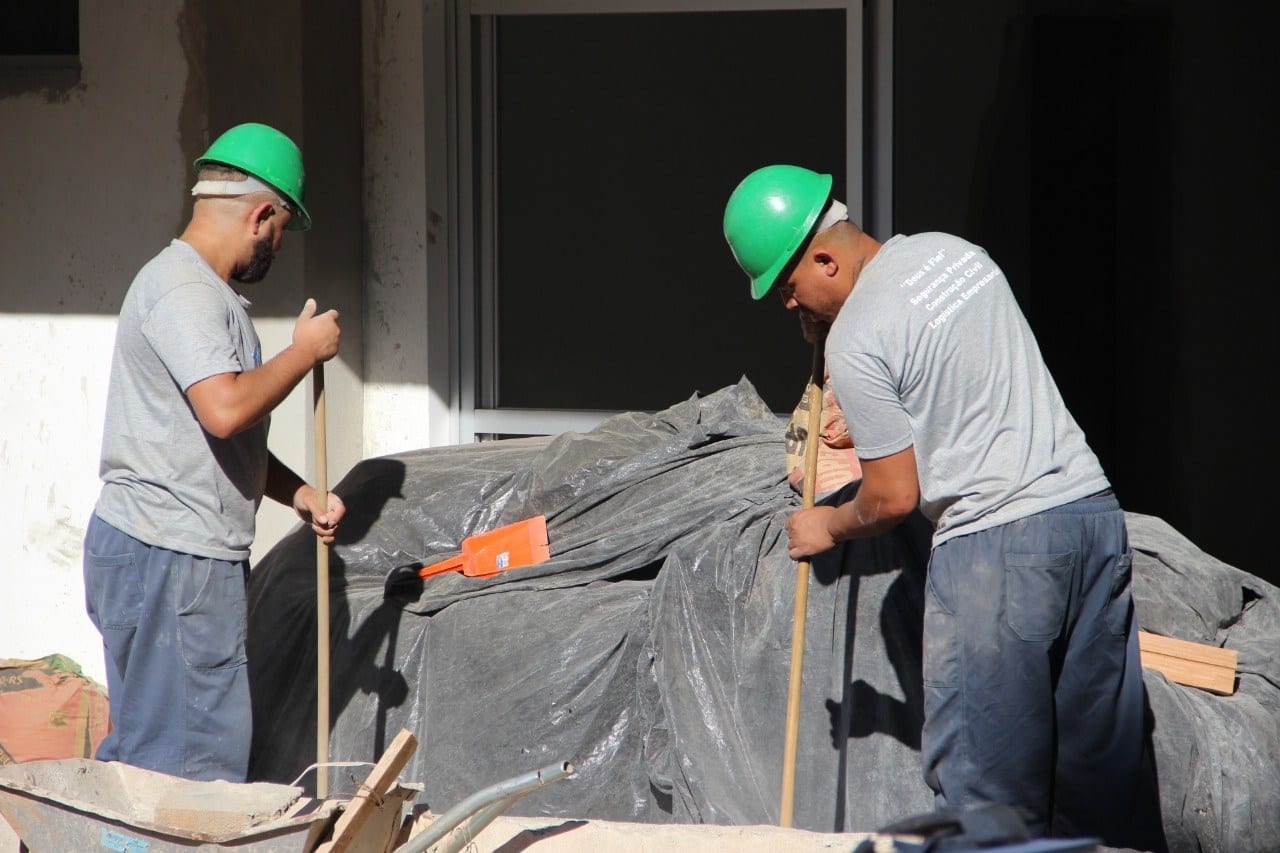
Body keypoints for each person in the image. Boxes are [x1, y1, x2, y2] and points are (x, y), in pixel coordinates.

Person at [723, 164, 1152, 846]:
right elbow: (961, 385)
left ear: (826, 260)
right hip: (1091, 520)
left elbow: (893, 496)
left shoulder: (856, 337)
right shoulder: (956, 255)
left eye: (785, 285)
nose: (787, 303)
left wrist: (825, 524)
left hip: (996, 553)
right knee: (1102, 803)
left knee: (984, 812)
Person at [82, 122, 345, 782]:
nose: (278, 247)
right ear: (260, 215)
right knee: (187, 768)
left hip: (169, 554)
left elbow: (218, 437)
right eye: (282, 229)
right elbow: (225, 410)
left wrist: (300, 492)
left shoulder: (203, 294)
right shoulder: (186, 292)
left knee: (160, 754)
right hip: (173, 558)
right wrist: (301, 352)